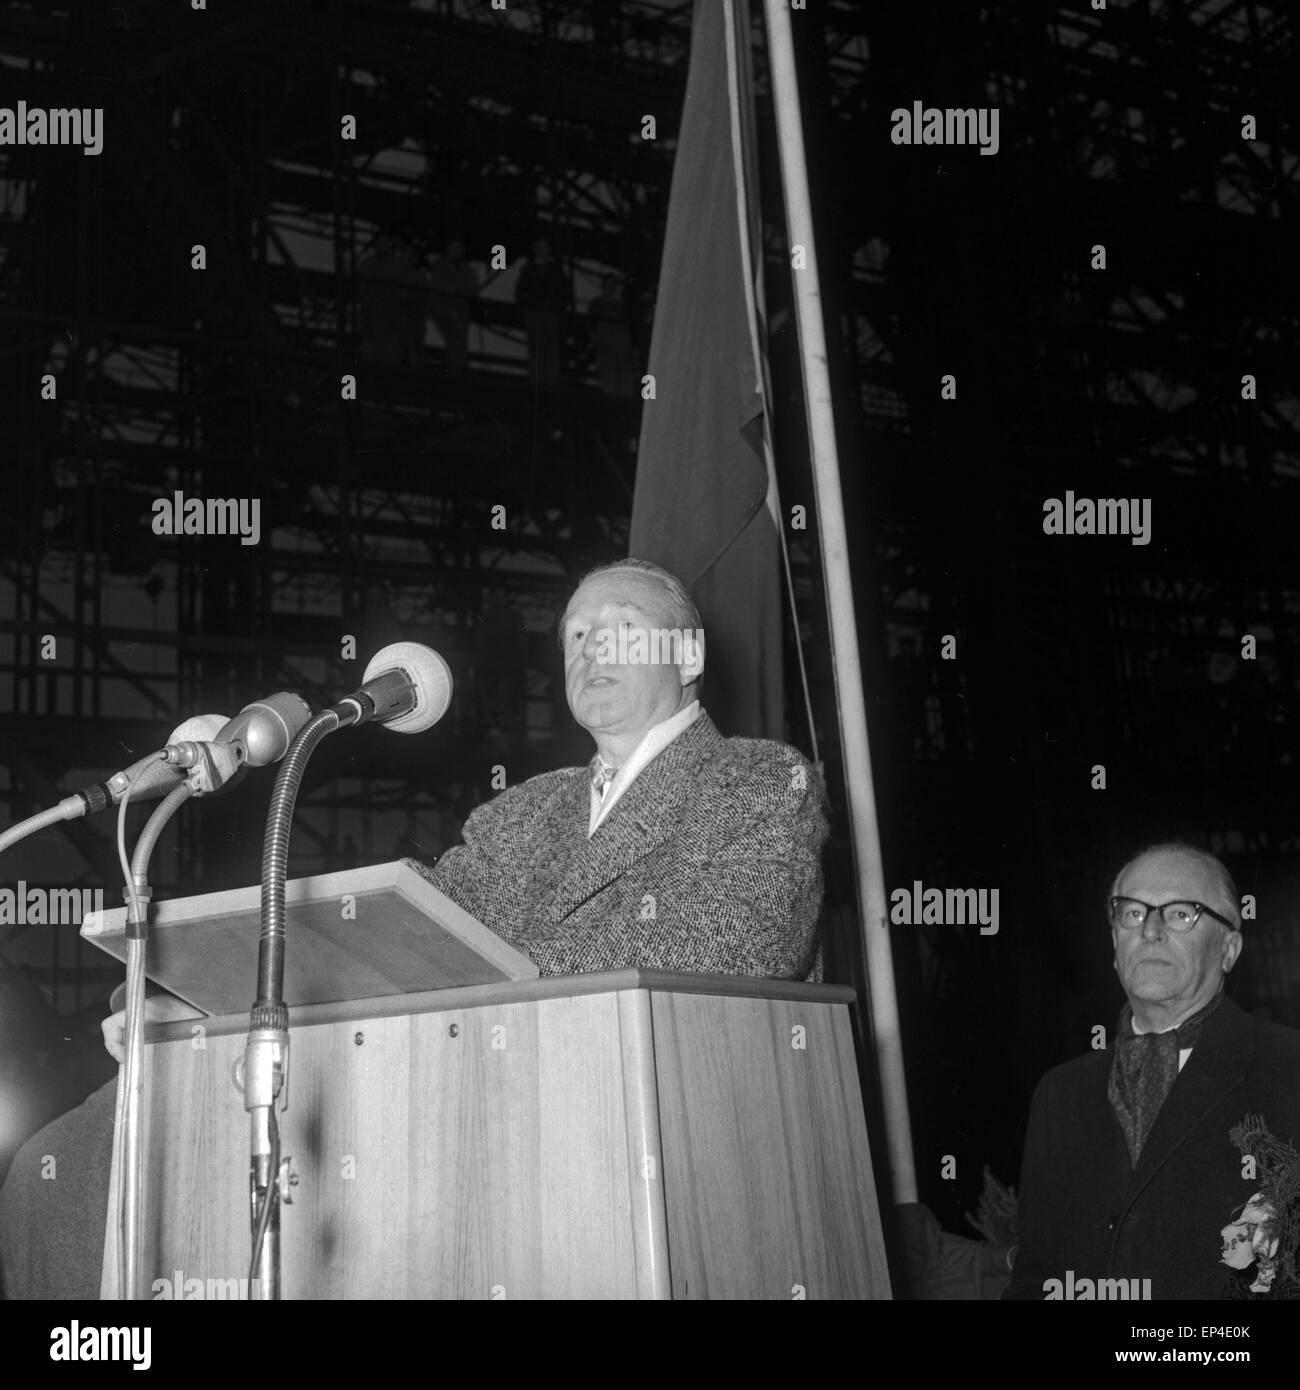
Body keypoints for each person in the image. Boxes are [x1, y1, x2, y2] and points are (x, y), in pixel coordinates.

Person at [421, 558, 828, 979]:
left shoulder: (761, 779)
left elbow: (740, 946)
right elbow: (423, 926)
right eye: (577, 634)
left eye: (625, 629)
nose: (592, 648)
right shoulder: (515, 814)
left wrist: (501, 963)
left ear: (688, 657)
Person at [1004, 843, 1300, 1300]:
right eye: (1133, 913)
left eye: (1181, 913)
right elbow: (1035, 1276)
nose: (1151, 931)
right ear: (1114, 943)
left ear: (1229, 948)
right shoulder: (1059, 1092)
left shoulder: (1289, 1067)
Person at [513, 238, 569, 388]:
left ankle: (550, 383)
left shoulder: (555, 270)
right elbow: (520, 294)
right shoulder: (528, 269)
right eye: (537, 247)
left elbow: (563, 293)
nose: (540, 250)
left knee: (551, 350)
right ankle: (537, 383)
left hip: (549, 314)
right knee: (538, 349)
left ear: (548, 250)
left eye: (543, 247)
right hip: (536, 314)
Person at [426, 239, 478, 374]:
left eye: (458, 248)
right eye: (453, 248)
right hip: (445, 310)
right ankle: (455, 368)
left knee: (459, 341)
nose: (456, 251)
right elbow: (439, 287)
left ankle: (458, 368)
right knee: (454, 340)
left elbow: (472, 289)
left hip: (461, 312)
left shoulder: (465, 267)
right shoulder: (440, 264)